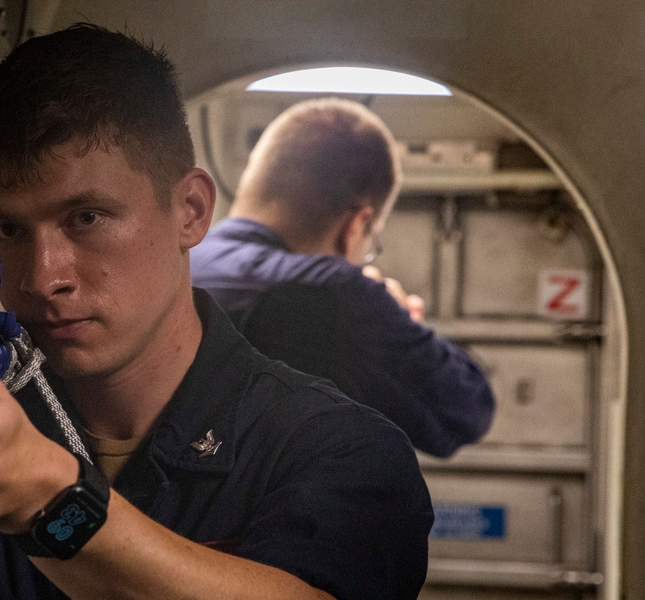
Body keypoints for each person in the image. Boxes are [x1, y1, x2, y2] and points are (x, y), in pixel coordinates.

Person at [0, 24, 432, 600]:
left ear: (191, 210)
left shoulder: (339, 450)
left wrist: (50, 500)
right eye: (7, 230)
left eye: (86, 217)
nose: (42, 277)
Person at [191, 98, 494, 458]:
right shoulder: (334, 293)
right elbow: (465, 410)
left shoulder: (176, 264)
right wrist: (395, 319)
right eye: (370, 241)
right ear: (357, 226)